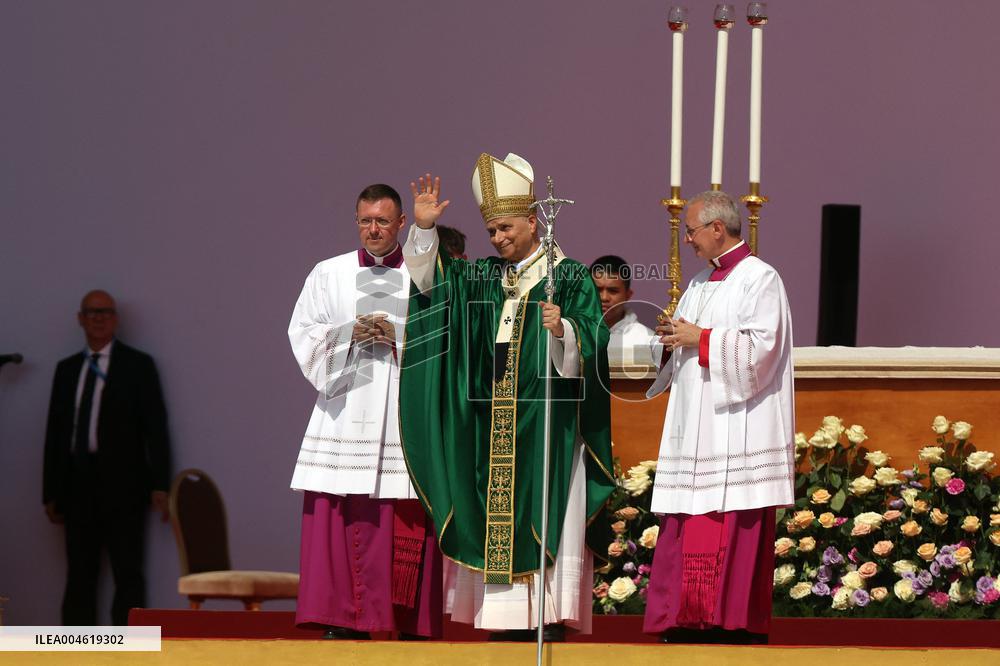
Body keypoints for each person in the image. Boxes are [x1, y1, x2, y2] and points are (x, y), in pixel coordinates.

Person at [399, 154, 615, 641]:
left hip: (547, 427)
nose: (497, 239)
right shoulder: (483, 277)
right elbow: (433, 286)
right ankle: (502, 623)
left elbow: (595, 345)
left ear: (533, 220)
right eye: (492, 230)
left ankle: (544, 619)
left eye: (505, 228)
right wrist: (425, 232)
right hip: (491, 420)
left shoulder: (571, 275)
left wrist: (566, 333)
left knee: (544, 515)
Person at [288, 183, 442, 640]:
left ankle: (401, 621)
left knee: (402, 516)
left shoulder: (421, 274)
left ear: (400, 224)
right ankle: (342, 618)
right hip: (344, 408)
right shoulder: (328, 273)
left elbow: (445, 331)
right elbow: (303, 332)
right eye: (365, 221)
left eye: (382, 221)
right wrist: (349, 333)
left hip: (399, 410)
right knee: (340, 511)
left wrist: (397, 338)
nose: (373, 230)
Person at [641, 190, 795, 644]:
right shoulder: (698, 283)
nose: (685, 240)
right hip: (697, 425)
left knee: (730, 522)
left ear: (716, 228)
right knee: (689, 520)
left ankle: (729, 623)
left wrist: (701, 337)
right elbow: (684, 342)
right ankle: (685, 619)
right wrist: (670, 339)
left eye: (689, 231)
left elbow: (762, 348)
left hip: (736, 425)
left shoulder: (760, 279)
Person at [42, 289, 171, 626]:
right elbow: (55, 433)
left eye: (106, 312)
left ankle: (127, 654)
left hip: (125, 485)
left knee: (128, 573)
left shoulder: (138, 365)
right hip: (77, 483)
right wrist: (50, 491)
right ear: (80, 319)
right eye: (92, 312)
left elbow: (155, 428)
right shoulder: (67, 369)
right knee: (79, 574)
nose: (99, 318)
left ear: (115, 319)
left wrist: (161, 484)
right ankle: (74, 654)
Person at [589, 255, 660, 368]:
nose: (604, 297)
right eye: (598, 290)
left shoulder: (646, 340)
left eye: (613, 291)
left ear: (628, 295)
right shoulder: (573, 335)